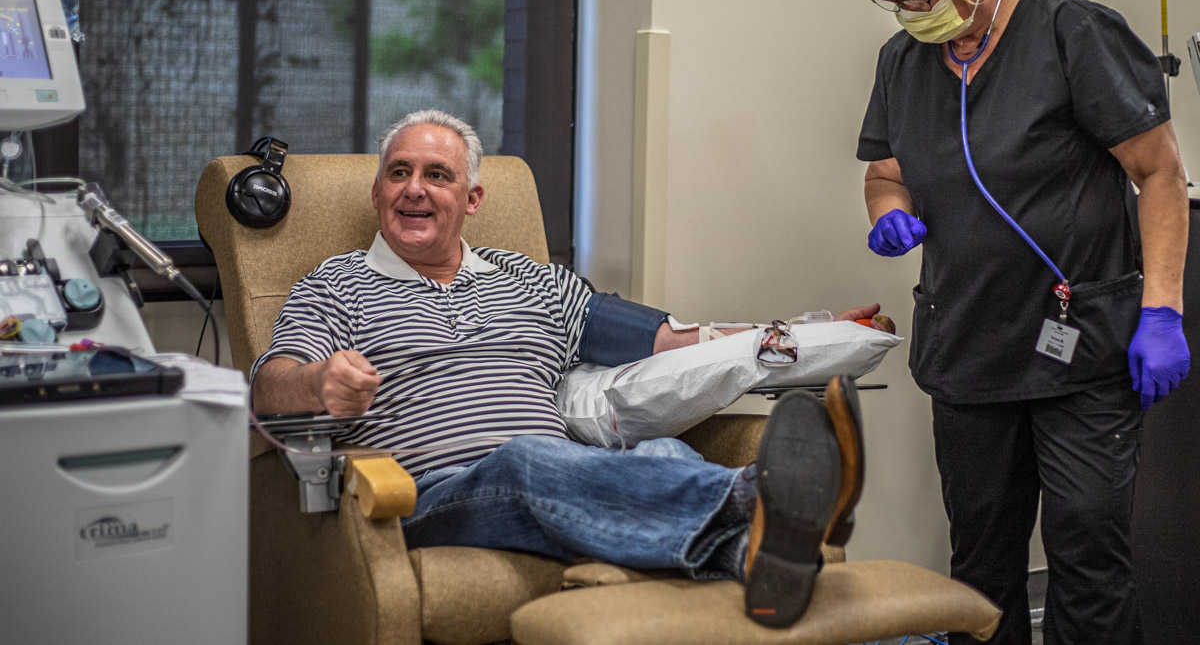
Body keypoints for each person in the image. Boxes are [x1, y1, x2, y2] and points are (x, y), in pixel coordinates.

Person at [252, 109, 884, 628]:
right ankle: (761, 497)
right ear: (377, 191)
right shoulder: (336, 286)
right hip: (432, 498)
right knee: (527, 458)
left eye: (436, 175)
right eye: (399, 172)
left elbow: (676, 339)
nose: (413, 188)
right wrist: (318, 382)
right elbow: (268, 386)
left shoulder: (530, 281)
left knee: (662, 454)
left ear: (471, 198)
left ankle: (757, 559)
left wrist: (816, 330)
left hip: (567, 479)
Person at [857, 0, 1190, 643]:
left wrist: (1163, 310)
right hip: (968, 347)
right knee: (980, 565)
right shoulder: (903, 61)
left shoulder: (1073, 33)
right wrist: (888, 215)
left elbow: (1160, 174)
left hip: (1084, 349)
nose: (913, 11)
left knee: (1088, 554)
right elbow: (886, 170)